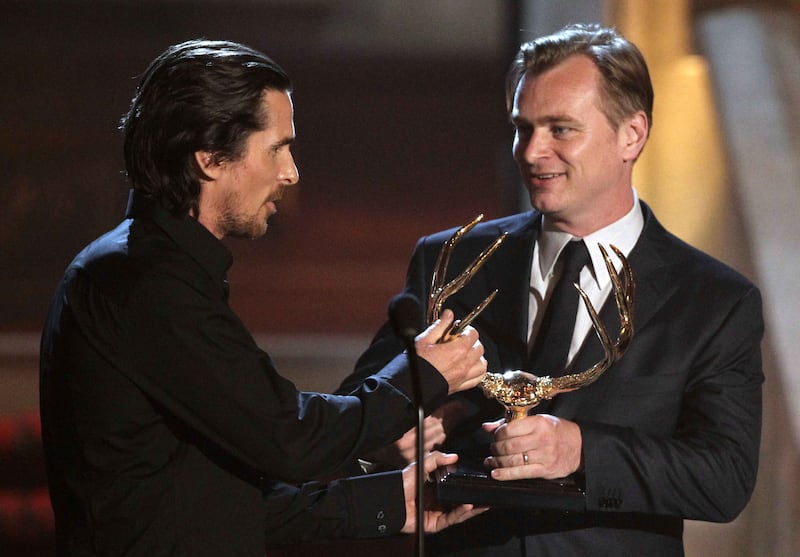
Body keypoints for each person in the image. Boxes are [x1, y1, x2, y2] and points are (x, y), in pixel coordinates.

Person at [38, 39, 488, 557]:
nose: (291, 173)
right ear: (210, 158)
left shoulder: (150, 272)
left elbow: (207, 499)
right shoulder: (142, 282)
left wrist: (388, 501)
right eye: (277, 148)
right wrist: (420, 376)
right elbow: (290, 439)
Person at [338, 23, 764, 556]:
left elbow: (724, 478)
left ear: (631, 134)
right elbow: (353, 411)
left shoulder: (714, 300)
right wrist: (390, 433)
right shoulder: (453, 259)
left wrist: (583, 449)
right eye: (523, 128)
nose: (533, 151)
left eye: (561, 129)